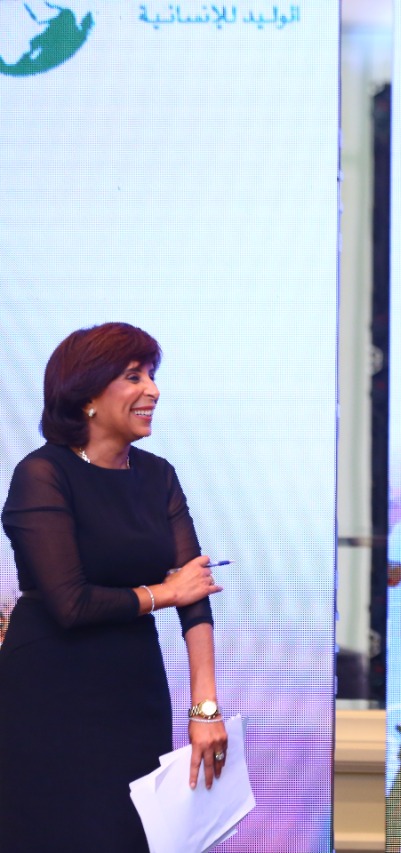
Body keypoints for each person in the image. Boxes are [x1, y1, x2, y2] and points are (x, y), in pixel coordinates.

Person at [0, 323, 227, 852]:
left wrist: (205, 708)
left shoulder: (158, 475)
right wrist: (164, 593)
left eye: (152, 375)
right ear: (87, 396)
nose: (153, 390)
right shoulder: (42, 473)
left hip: (134, 691)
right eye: (134, 376)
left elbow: (195, 592)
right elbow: (70, 603)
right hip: (47, 694)